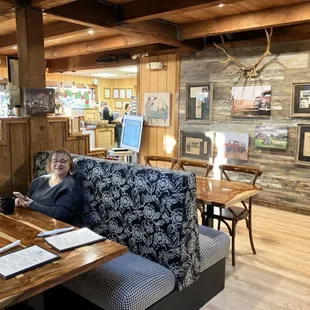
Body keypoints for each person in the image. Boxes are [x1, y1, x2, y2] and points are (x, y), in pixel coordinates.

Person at [15, 149, 83, 226]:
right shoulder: (38, 181)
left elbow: (60, 215)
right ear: (50, 164)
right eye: (55, 161)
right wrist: (21, 202)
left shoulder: (70, 187)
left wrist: (32, 205)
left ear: (70, 165)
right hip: (33, 222)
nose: (58, 164)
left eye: (63, 161)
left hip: (59, 228)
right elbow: (29, 199)